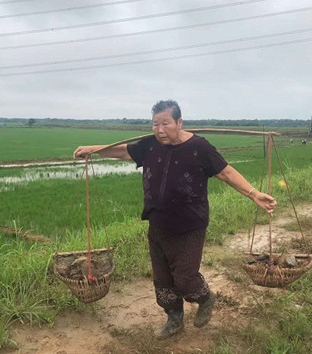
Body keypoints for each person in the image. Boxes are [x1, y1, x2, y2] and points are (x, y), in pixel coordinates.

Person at [73, 100, 277, 339]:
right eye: (155, 124)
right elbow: (123, 150)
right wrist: (93, 149)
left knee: (185, 278)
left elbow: (225, 172)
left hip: (190, 225)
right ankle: (174, 320)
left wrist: (253, 194)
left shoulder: (200, 147)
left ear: (179, 122)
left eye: (166, 124)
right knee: (162, 280)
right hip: (158, 223)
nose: (160, 130)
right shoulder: (150, 145)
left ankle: (205, 297)